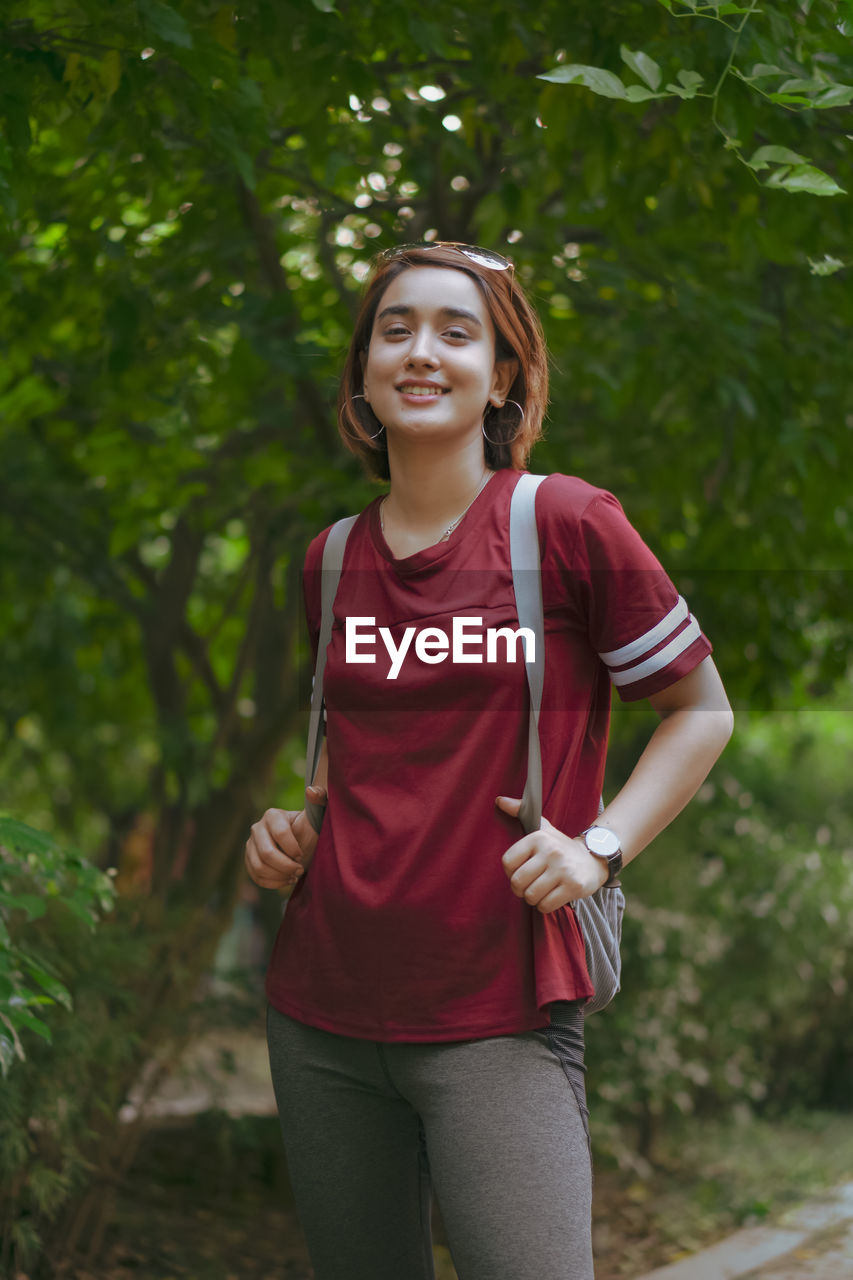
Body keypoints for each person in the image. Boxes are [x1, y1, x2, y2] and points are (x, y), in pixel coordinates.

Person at [244, 243, 734, 1280]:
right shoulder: (328, 558)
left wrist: (598, 847)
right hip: (321, 1013)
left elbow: (700, 710)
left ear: (503, 375)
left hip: (496, 1012)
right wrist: (286, 837)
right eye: (395, 328)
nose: (422, 352)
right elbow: (359, 775)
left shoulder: (564, 522)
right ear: (364, 369)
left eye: (456, 333)